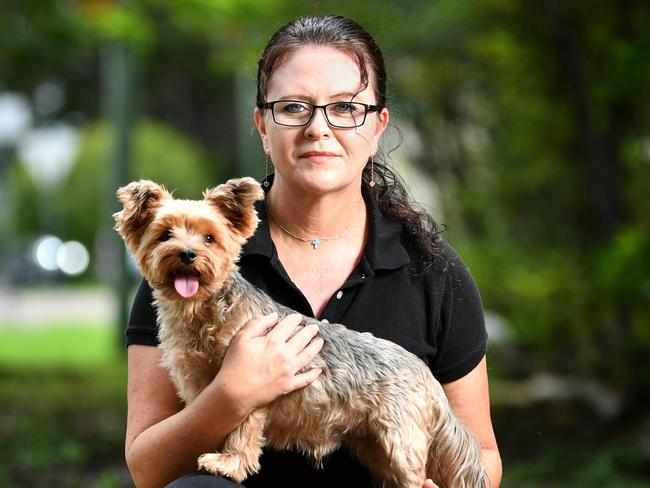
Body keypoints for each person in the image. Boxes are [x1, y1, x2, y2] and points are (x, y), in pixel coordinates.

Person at [124, 14, 502, 488]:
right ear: (262, 124)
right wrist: (230, 394)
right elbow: (147, 470)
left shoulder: (433, 272)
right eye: (294, 107)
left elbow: (480, 454)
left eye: (345, 107)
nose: (318, 128)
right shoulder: (187, 273)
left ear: (378, 126)